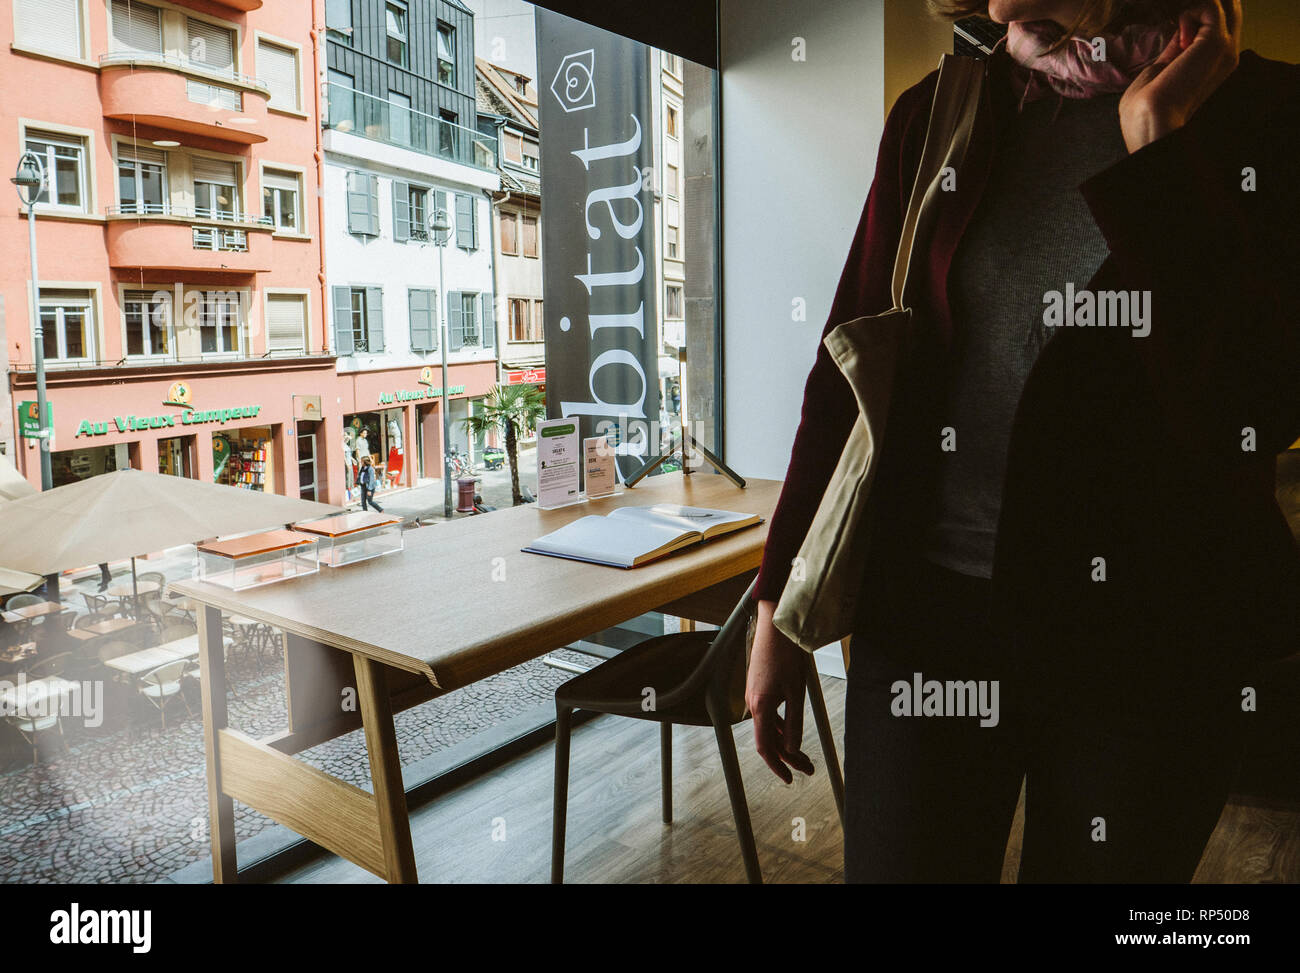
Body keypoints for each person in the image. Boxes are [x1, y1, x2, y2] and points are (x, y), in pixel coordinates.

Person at [746, 0, 1300, 883]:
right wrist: (775, 603)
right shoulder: (941, 112)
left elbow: (1260, 399)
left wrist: (1158, 148)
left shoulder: (1270, 119)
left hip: (1152, 650)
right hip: (933, 623)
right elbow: (850, 367)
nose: (1002, 8)